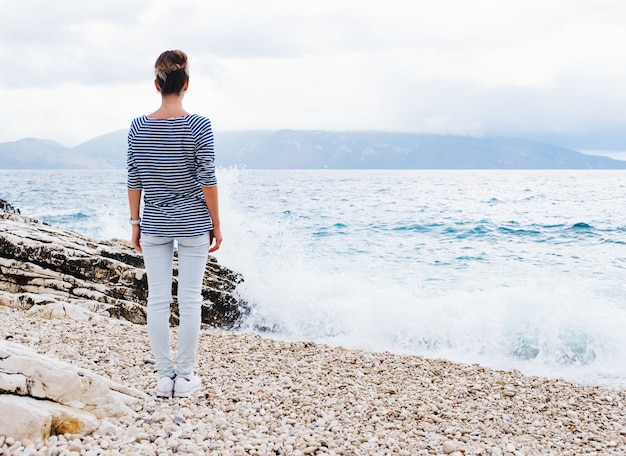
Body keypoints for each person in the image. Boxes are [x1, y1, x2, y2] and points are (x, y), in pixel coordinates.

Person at [127, 50, 222, 398]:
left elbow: (134, 177)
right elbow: (207, 179)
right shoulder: (199, 125)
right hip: (193, 222)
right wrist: (217, 223)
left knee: (157, 300)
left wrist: (135, 222)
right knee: (190, 299)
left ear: (157, 85)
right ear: (186, 85)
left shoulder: (139, 126)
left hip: (153, 223)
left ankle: (164, 377)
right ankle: (185, 378)